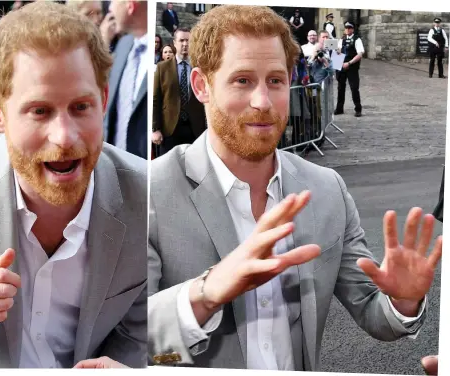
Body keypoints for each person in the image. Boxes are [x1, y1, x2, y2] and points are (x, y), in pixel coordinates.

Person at [147, 5, 441, 370]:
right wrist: (204, 296)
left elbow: (371, 310)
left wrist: (402, 301)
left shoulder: (326, 188)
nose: (262, 102)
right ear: (201, 85)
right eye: (242, 80)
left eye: (275, 80)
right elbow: (128, 342)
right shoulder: (149, 193)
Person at [0, 1, 146, 368]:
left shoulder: (146, 197)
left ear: (103, 101)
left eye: (80, 107)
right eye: (39, 111)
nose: (64, 137)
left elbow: (142, 328)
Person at [104, 0, 149, 159]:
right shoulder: (123, 45)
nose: (109, 8)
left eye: (113, 2)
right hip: (114, 165)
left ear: (130, 5)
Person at [153, 28, 206, 157]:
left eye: (188, 40)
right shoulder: (162, 68)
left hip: (195, 129)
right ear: (174, 43)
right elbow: (155, 99)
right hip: (170, 129)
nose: (185, 44)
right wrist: (155, 129)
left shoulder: (201, 68)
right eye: (181, 40)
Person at [335, 21, 364, 117]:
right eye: (346, 27)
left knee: (354, 88)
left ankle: (358, 109)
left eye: (349, 27)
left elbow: (360, 55)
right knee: (340, 88)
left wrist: (349, 63)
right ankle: (339, 108)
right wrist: (336, 65)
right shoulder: (341, 39)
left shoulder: (357, 39)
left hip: (352, 68)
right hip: (342, 67)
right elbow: (338, 52)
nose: (347, 29)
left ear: (353, 29)